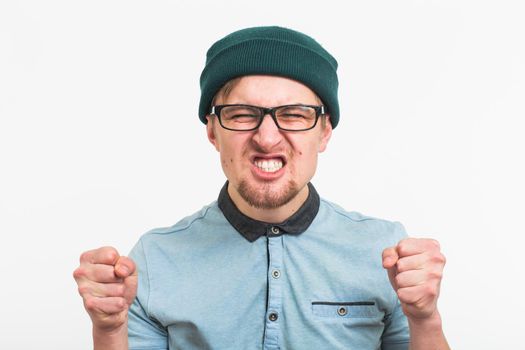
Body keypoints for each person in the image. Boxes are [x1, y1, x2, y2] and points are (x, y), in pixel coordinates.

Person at [73, 26, 449, 350]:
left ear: (324, 131)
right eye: (242, 115)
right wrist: (108, 330)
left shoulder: (385, 252)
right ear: (212, 131)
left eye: (293, 115)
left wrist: (425, 318)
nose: (267, 138)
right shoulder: (155, 259)